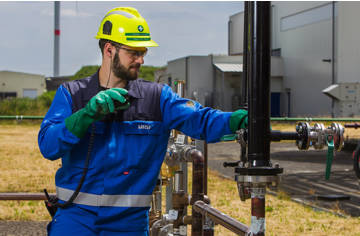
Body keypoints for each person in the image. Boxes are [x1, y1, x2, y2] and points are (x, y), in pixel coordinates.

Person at [38, 7, 248, 236]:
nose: (141, 59)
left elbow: (201, 120)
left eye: (143, 51)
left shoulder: (157, 98)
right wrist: (86, 115)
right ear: (109, 50)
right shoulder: (72, 94)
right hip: (75, 219)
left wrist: (236, 120)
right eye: (133, 52)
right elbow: (48, 146)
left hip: (128, 224)